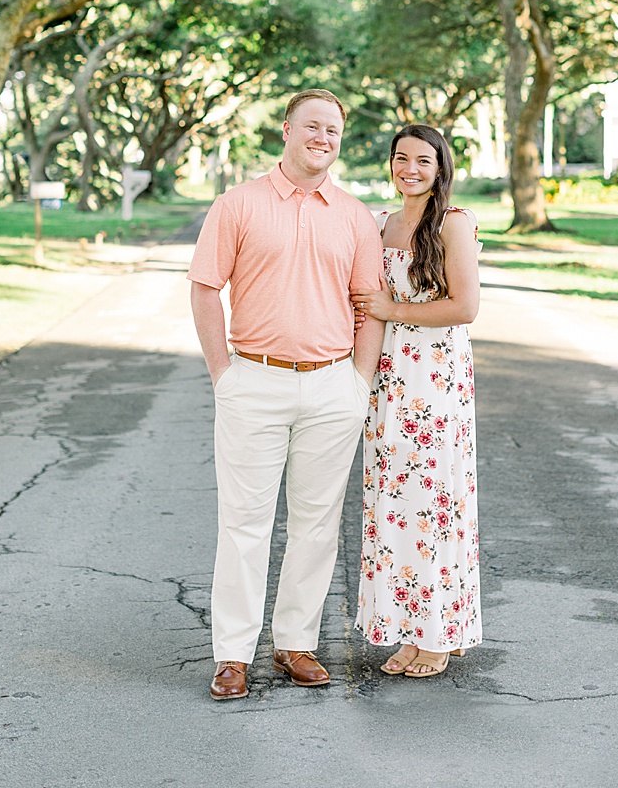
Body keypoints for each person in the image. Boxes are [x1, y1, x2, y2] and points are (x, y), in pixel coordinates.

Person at [188, 88, 384, 701]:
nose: (322, 138)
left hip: (333, 387)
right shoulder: (237, 204)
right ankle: (232, 656)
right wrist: (225, 375)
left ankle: (295, 643)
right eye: (312, 126)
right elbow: (203, 289)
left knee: (317, 525)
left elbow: (369, 305)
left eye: (333, 130)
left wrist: (359, 382)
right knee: (243, 525)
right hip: (254, 380)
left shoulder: (353, 215)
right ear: (286, 130)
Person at [349, 123, 482, 678]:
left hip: (435, 381)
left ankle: (438, 632)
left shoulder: (453, 224)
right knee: (393, 501)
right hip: (388, 377)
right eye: (401, 158)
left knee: (432, 500)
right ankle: (405, 628)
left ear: (440, 167)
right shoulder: (379, 224)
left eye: (422, 161)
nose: (410, 169)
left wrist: (390, 310)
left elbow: (465, 307)